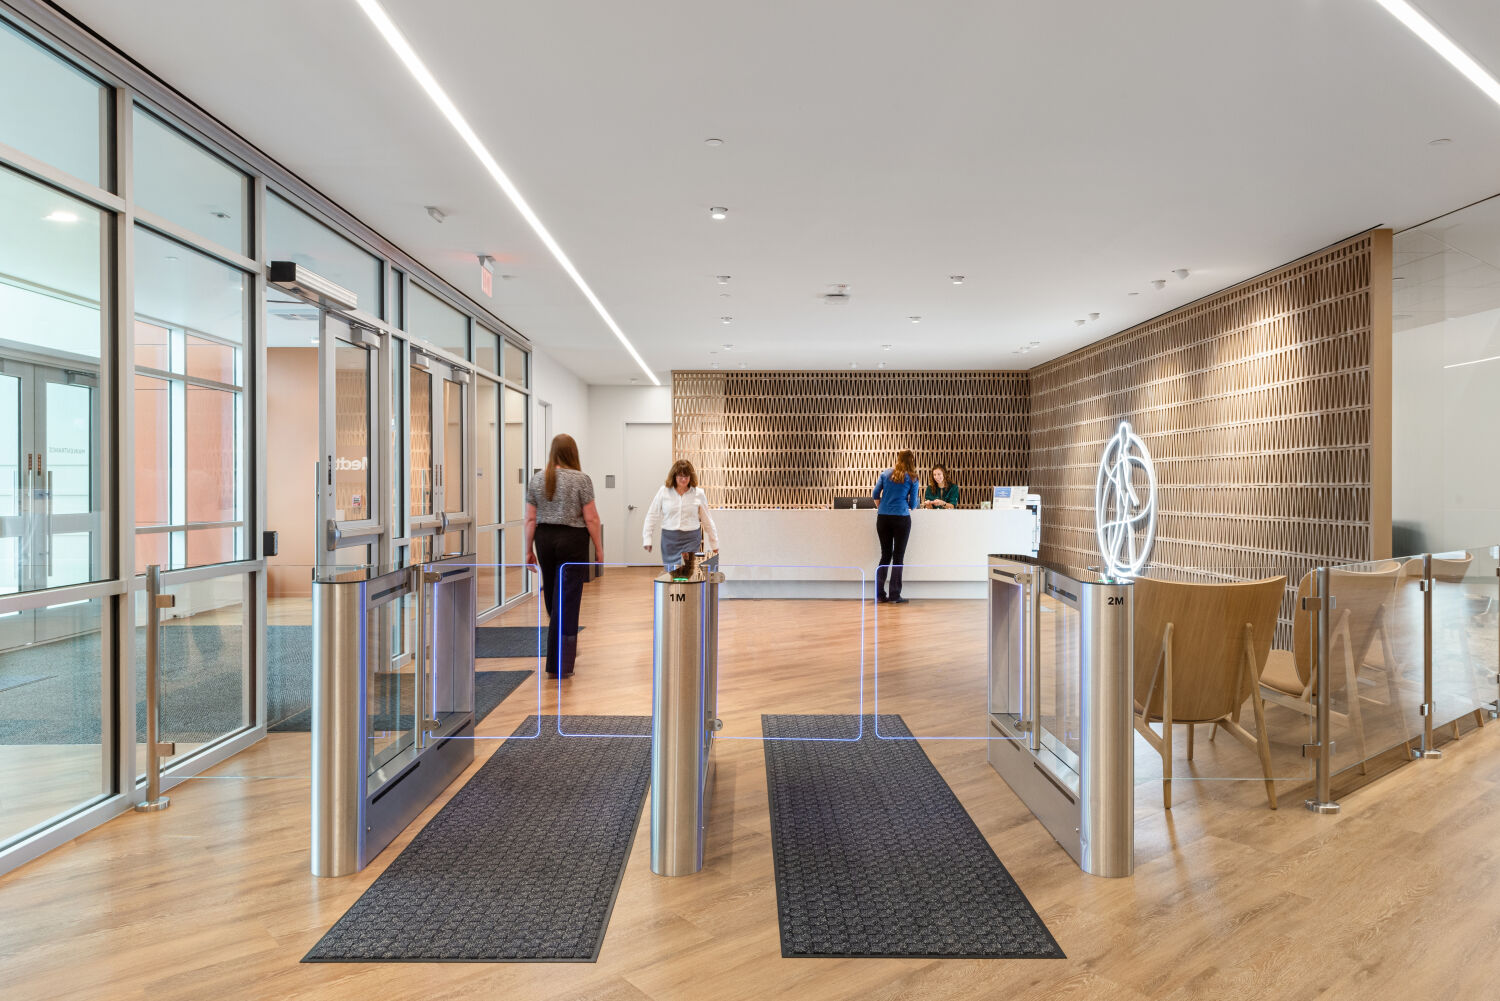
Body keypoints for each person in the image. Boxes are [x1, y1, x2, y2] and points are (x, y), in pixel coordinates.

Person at [524, 433, 603, 678]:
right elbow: (591, 518)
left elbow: (529, 519)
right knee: (568, 598)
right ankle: (560, 662)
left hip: (544, 539)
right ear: (573, 453)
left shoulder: (537, 479)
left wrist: (528, 550)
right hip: (573, 540)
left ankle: (560, 650)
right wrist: (599, 548)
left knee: (552, 593)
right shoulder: (581, 479)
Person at [642, 459, 719, 571]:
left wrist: (714, 543)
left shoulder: (699, 494)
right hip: (669, 540)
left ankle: (687, 589)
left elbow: (707, 520)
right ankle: (674, 589)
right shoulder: (663, 492)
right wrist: (647, 538)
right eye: (680, 476)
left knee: (687, 573)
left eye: (686, 476)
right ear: (674, 476)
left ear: (691, 477)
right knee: (673, 573)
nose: (683, 479)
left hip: (691, 538)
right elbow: (652, 515)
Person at [871, 449, 919, 604]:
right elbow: (912, 505)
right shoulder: (912, 478)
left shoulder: (885, 474)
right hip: (901, 519)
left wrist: (882, 507)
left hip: (883, 518)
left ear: (898, 459)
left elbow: (875, 494)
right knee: (898, 557)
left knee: (885, 555)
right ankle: (895, 595)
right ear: (911, 460)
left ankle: (879, 594)